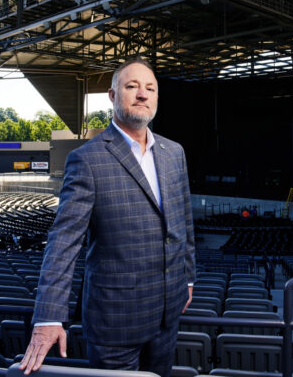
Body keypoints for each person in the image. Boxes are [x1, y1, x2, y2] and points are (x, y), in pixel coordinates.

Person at [20, 58, 196, 376]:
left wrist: (188, 277)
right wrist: (48, 315)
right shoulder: (86, 159)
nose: (142, 94)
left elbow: (183, 219)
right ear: (113, 96)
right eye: (131, 86)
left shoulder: (175, 153)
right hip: (115, 321)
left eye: (150, 88)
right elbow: (64, 241)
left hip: (167, 314)